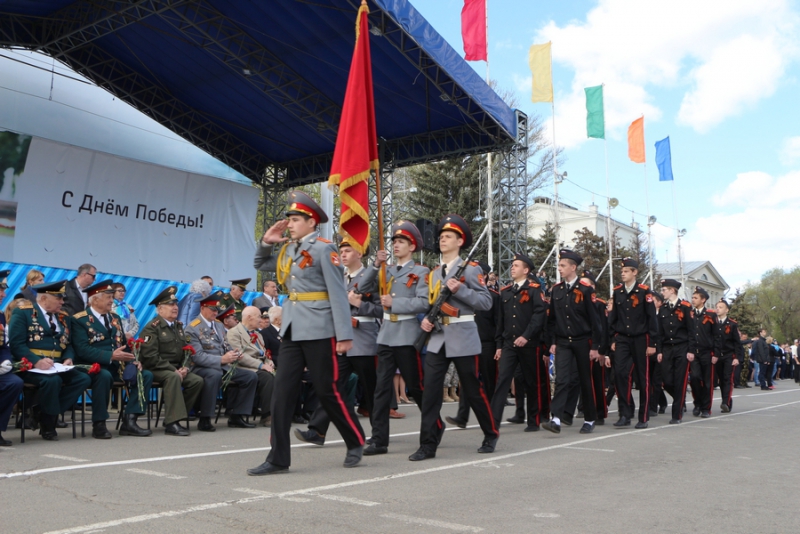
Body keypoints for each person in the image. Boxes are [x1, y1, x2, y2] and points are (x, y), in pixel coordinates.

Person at [247, 191, 364, 475]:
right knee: (282, 394)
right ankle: (278, 458)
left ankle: (355, 440)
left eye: (296, 220)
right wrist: (266, 242)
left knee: (327, 390)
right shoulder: (288, 250)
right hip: (292, 329)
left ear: (312, 222)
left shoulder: (325, 249)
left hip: (321, 329)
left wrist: (344, 333)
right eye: (289, 220)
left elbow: (338, 293)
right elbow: (260, 265)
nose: (290, 224)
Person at [411, 213, 497, 461]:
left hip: (464, 337)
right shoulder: (435, 273)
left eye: (448, 236)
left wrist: (461, 289)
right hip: (438, 339)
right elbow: (432, 304)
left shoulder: (470, 270)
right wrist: (428, 319)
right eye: (441, 236)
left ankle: (490, 433)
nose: (442, 240)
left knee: (472, 390)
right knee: (430, 393)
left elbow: (485, 302)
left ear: (460, 241)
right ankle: (427, 444)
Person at [295, 238, 382, 447]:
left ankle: (379, 435)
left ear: (359, 254)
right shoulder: (338, 276)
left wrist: (359, 304)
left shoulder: (374, 277)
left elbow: (382, 310)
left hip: (364, 339)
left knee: (371, 392)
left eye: (348, 250)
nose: (342, 254)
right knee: (331, 386)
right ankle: (317, 431)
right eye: (341, 250)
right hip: (341, 338)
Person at [358, 220, 430, 456]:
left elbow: (424, 302)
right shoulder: (385, 270)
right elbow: (362, 287)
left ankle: (433, 426)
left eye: (401, 242)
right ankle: (379, 440)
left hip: (408, 336)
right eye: (394, 242)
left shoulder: (421, 271)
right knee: (381, 390)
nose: (396, 245)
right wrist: (375, 263)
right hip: (386, 335)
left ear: (412, 247)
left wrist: (395, 303)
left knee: (417, 388)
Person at [8, 280, 92, 440]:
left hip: (57, 365)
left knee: (82, 379)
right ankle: (48, 424)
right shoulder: (23, 313)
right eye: (59, 299)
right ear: (44, 299)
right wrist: (36, 361)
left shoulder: (63, 317)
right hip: (30, 366)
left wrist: (68, 357)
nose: (62, 302)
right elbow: (16, 345)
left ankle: (41, 412)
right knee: (52, 381)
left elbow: (68, 343)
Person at [71, 279, 152, 438]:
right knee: (103, 376)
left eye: (111, 297)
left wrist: (132, 360)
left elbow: (122, 343)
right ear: (95, 299)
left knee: (145, 375)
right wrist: (110, 356)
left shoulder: (114, 317)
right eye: (108, 297)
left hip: (116, 366)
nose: (112, 301)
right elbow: (82, 350)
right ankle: (99, 424)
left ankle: (130, 420)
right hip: (91, 366)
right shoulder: (79, 319)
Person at [541, 249, 603, 435]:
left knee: (584, 380)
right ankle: (556, 419)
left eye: (562, 265)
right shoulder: (557, 289)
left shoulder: (585, 290)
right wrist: (552, 341)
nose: (559, 268)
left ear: (573, 267)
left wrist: (595, 347)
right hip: (563, 342)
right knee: (562, 379)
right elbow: (551, 320)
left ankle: (590, 418)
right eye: (559, 265)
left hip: (582, 341)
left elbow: (595, 322)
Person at [486, 253, 547, 432]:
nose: (512, 267)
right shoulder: (505, 291)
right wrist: (499, 345)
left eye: (517, 265)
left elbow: (539, 315)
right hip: (508, 344)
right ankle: (493, 422)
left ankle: (533, 420)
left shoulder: (535, 290)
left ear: (526, 270)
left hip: (528, 344)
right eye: (512, 265)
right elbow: (501, 321)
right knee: (502, 381)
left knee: (531, 382)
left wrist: (526, 335)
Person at [139, 286, 204, 436]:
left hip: (175, 368)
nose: (175, 308)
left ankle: (175, 416)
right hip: (156, 368)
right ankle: (172, 423)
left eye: (176, 304)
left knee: (197, 381)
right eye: (171, 305)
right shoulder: (152, 327)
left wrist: (185, 368)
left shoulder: (178, 327)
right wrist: (173, 369)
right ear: (160, 309)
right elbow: (150, 356)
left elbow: (186, 352)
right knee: (173, 377)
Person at [185, 296, 257, 432]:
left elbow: (225, 345)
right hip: (201, 367)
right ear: (202, 308)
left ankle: (237, 415)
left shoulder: (218, 324)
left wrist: (234, 353)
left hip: (223, 365)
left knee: (250, 377)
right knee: (214, 375)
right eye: (212, 309)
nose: (215, 312)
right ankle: (205, 418)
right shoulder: (192, 328)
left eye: (216, 309)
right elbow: (197, 356)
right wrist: (221, 359)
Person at [448, 261, 501, 429]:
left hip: (487, 343)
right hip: (468, 339)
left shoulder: (492, 296)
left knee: (488, 380)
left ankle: (492, 416)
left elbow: (499, 322)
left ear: (483, 276)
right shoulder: (461, 294)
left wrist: (499, 344)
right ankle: (462, 415)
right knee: (467, 378)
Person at [607, 258, 659, 429]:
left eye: (627, 271)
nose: (623, 273)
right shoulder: (618, 292)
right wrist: (613, 339)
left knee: (643, 378)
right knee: (620, 375)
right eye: (622, 271)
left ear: (635, 273)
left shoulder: (644, 292)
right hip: (622, 338)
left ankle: (643, 416)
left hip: (640, 338)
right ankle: (625, 414)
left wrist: (652, 343)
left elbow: (652, 319)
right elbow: (613, 318)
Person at [563, 270, 610, 426]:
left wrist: (602, 351)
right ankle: (578, 409)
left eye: (585, 283)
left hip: (594, 346)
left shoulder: (600, 304)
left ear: (592, 287)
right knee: (576, 378)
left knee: (596, 380)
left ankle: (600, 412)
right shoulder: (573, 301)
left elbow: (603, 329)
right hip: (580, 344)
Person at [227, 306, 275, 427]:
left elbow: (264, 352)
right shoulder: (234, 332)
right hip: (243, 366)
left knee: (280, 375)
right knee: (267, 377)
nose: (261, 320)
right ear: (249, 317)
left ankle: (282, 412)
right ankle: (267, 415)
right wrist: (261, 365)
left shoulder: (258, 334)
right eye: (259, 316)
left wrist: (269, 361)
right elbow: (239, 355)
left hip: (260, 365)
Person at [655, 279, 695, 424]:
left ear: (672, 290)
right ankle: (681, 398)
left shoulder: (685, 307)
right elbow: (659, 332)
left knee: (680, 380)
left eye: (664, 290)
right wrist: (659, 350)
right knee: (667, 381)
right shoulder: (663, 308)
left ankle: (676, 414)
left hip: (682, 348)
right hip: (667, 348)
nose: (662, 292)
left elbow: (691, 330)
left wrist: (691, 350)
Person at [0, 270, 24, 446]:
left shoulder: (0, 316)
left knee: (14, 382)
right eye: (0, 290)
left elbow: (4, 345)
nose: (4, 294)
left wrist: (6, 360)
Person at [689, 286, 718, 416]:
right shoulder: (690, 314)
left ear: (703, 299)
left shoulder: (711, 315)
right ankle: (698, 403)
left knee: (707, 381)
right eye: (692, 297)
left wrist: (716, 353)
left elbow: (717, 336)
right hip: (693, 352)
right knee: (694, 378)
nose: (693, 300)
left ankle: (706, 408)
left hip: (707, 352)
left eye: (696, 298)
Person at [713, 299, 743, 413]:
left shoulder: (732, 324)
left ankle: (725, 402)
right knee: (720, 380)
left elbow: (736, 342)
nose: (718, 309)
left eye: (721, 307)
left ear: (727, 310)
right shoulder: (713, 323)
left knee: (727, 378)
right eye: (717, 307)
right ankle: (727, 401)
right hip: (717, 355)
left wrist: (736, 358)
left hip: (728, 355)